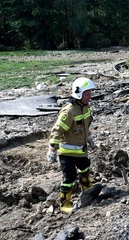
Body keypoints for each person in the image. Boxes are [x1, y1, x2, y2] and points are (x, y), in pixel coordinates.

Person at [46, 77, 96, 213]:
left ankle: (88, 191)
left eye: (90, 93)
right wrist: (52, 150)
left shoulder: (86, 108)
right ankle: (65, 204)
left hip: (81, 150)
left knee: (85, 169)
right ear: (79, 94)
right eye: (87, 94)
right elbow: (57, 130)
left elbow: (85, 127)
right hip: (67, 153)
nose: (90, 97)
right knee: (69, 178)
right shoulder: (69, 111)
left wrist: (90, 137)